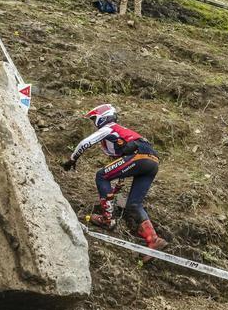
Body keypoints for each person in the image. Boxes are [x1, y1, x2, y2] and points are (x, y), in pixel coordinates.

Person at [61, 103, 167, 250]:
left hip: (140, 156)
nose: (94, 123)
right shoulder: (121, 134)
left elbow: (86, 143)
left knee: (101, 176)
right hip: (152, 162)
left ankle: (107, 220)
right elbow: (121, 165)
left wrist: (72, 159)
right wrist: (115, 188)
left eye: (94, 119)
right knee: (134, 204)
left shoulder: (109, 127)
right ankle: (153, 239)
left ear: (102, 117)